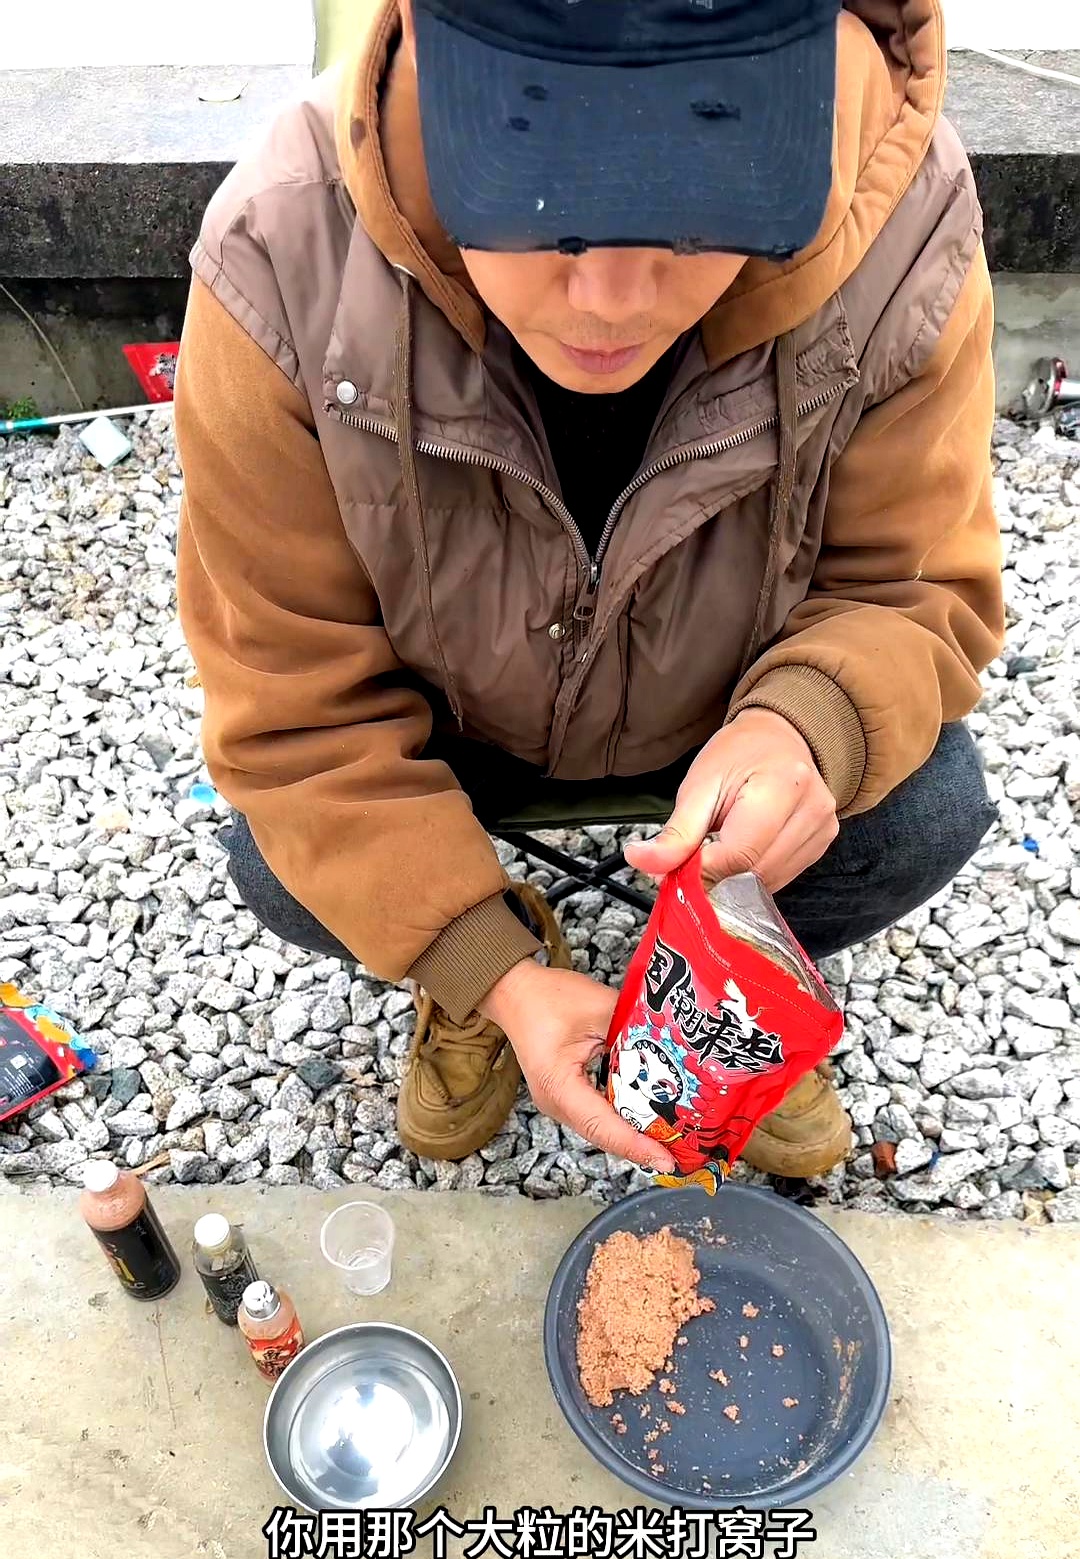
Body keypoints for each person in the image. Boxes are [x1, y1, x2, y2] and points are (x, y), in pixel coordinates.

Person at [174, 0, 1003, 1182]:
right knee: (281, 859)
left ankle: (739, 982)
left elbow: (916, 589)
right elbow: (295, 711)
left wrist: (804, 724)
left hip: (725, 717)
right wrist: (490, 972)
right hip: (453, 726)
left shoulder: (901, 213)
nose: (614, 298)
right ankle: (479, 962)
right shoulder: (278, 253)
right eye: (540, 197)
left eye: (702, 202)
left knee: (923, 813)